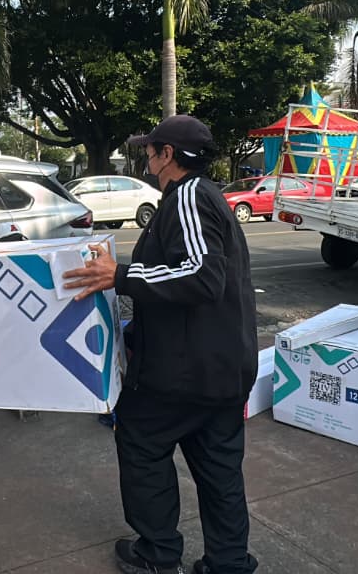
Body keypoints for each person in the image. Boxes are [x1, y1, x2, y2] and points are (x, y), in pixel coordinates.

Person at [65, 116, 259, 574]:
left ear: (167, 154)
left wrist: (120, 276)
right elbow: (190, 276)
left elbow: (202, 275)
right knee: (219, 468)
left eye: (150, 151)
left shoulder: (189, 196)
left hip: (184, 372)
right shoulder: (205, 197)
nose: (146, 159)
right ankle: (229, 563)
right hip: (222, 367)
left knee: (141, 443)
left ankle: (157, 554)